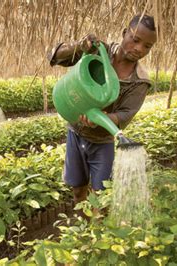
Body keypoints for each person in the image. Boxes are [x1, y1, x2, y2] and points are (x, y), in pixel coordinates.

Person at [48, 14, 157, 204]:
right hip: (76, 132)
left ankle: (97, 230)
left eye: (147, 46)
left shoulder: (140, 81)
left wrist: (103, 117)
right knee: (78, 189)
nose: (139, 48)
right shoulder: (99, 51)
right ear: (125, 33)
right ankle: (82, 228)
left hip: (102, 141)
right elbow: (55, 57)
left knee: (102, 195)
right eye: (135, 40)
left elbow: (125, 114)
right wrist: (80, 46)